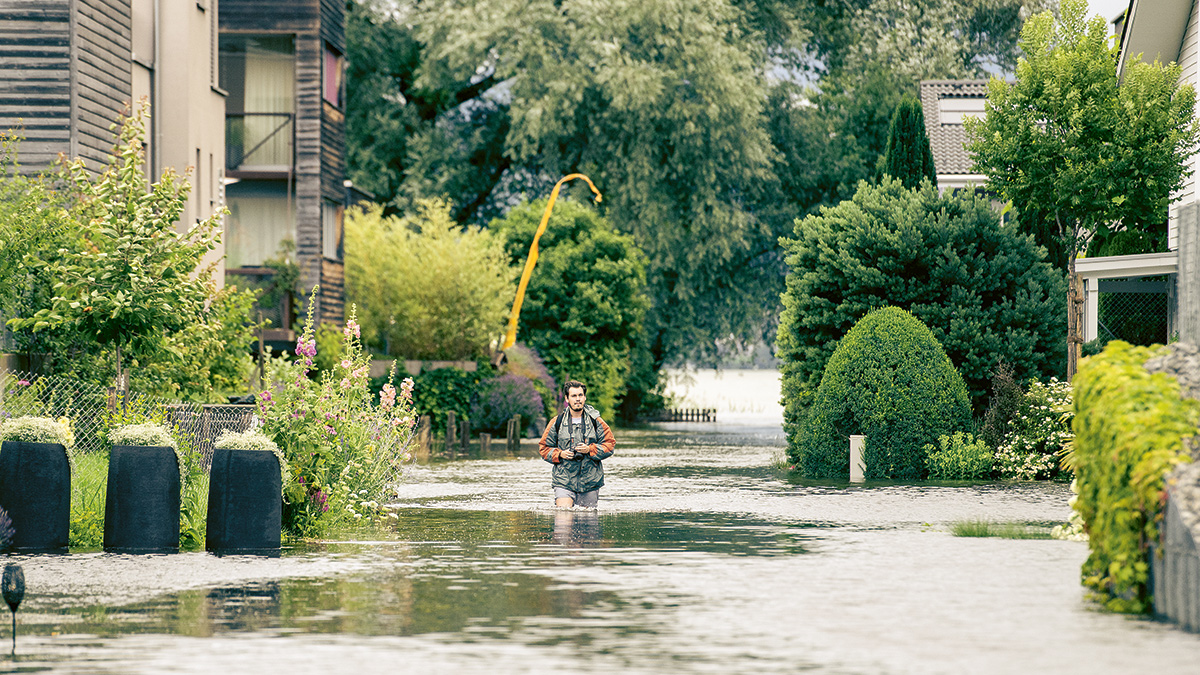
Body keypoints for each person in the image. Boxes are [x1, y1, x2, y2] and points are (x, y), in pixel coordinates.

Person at [538, 380, 615, 508]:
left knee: (587, 523)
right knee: (563, 518)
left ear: (584, 397)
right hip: (564, 481)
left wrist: (590, 450)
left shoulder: (596, 421)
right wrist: (560, 454)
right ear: (567, 399)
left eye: (580, 395)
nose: (577, 399)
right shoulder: (557, 422)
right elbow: (544, 448)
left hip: (590, 482)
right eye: (574, 396)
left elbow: (610, 445)